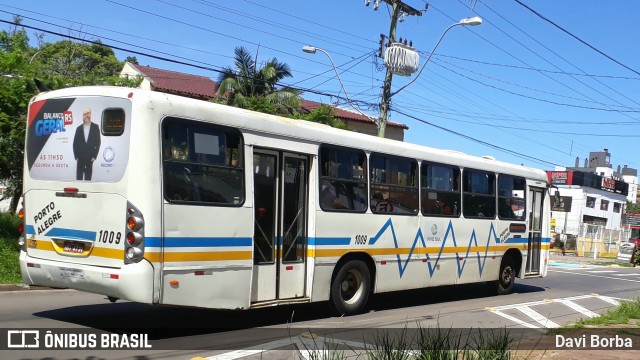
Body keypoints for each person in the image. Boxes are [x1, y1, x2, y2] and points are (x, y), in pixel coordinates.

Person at [73, 107, 101, 180]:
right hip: (80, 159)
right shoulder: (78, 129)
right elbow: (75, 143)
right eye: (84, 114)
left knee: (88, 179)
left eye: (88, 113)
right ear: (83, 116)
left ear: (90, 114)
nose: (86, 115)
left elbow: (98, 142)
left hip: (90, 159)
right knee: (79, 179)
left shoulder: (95, 127)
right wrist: (76, 157)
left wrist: (94, 156)